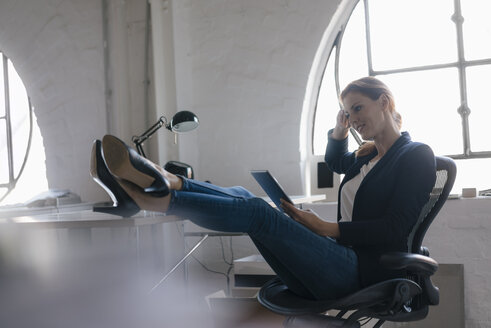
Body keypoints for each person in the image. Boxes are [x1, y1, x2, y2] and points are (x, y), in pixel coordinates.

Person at [90, 76, 436, 301]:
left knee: (257, 213)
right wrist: (340, 127)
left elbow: (395, 229)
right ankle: (170, 181)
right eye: (348, 112)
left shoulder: (416, 155)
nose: (354, 117)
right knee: (244, 195)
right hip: (339, 259)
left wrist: (324, 227)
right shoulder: (367, 157)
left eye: (358, 108)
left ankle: (161, 197)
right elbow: (335, 161)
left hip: (365, 274)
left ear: (385, 102)